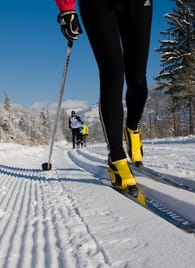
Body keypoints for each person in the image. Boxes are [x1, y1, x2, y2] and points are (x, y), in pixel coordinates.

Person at [55, 0, 152, 195]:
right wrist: (66, 8)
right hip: (97, 5)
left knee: (138, 79)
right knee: (112, 74)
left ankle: (132, 129)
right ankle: (116, 157)